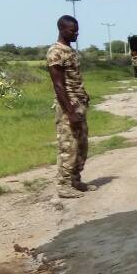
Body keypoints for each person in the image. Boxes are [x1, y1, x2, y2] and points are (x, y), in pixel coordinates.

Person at [47, 15, 95, 199]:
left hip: (78, 103)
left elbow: (73, 78)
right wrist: (70, 111)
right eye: (72, 31)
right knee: (69, 146)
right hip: (68, 106)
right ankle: (64, 185)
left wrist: (84, 95)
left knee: (82, 146)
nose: (76, 34)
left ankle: (75, 180)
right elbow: (58, 85)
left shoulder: (70, 50)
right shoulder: (56, 52)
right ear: (61, 30)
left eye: (77, 30)